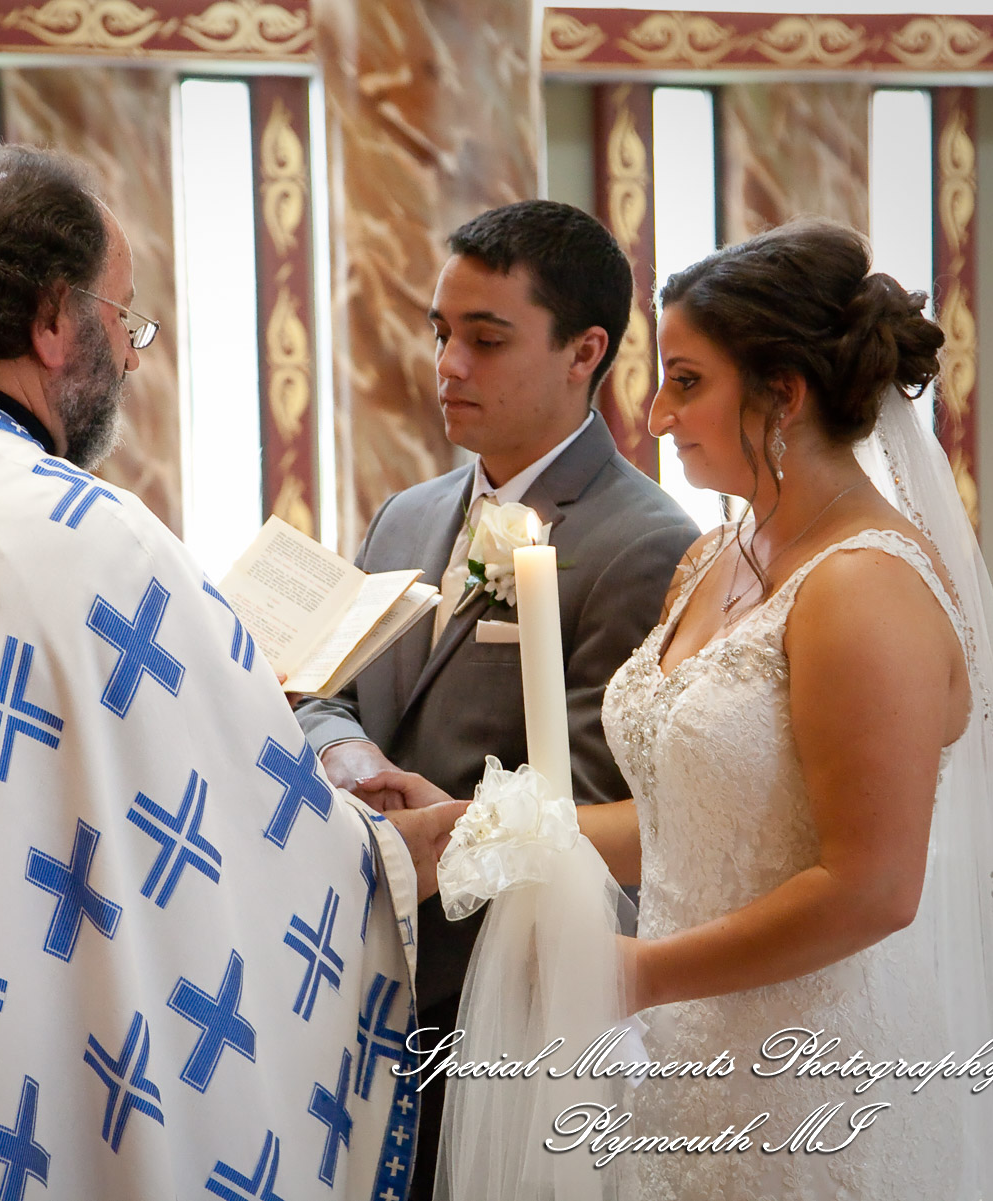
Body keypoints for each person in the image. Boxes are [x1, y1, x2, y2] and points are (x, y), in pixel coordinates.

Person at [0, 145, 466, 1199]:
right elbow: (232, 846)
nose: (133, 356)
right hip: (12, 1058)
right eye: (124, 318)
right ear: (55, 319)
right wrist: (385, 857)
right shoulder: (79, 532)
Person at [378, 221, 993, 1199]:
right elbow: (682, 825)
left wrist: (637, 974)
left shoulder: (863, 589)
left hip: (806, 1081)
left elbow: (870, 888)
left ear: (783, 393)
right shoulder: (713, 559)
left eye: (685, 381)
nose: (651, 416)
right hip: (673, 1060)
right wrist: (479, 834)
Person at [295, 199, 698, 1196]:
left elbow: (596, 795)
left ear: (582, 352)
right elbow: (316, 691)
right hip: (351, 964)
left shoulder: (643, 542)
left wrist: (434, 826)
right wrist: (352, 763)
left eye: (484, 338)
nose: (446, 365)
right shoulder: (407, 512)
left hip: (496, 995)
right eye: (441, 333)